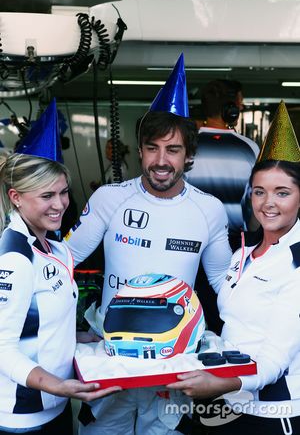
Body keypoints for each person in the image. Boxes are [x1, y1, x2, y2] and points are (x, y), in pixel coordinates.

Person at [64, 54, 232, 435]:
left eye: (172, 150)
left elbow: (224, 283)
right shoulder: (110, 198)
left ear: (189, 156)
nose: (160, 160)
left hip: (174, 361)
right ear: (139, 150)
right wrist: (61, 328)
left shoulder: (209, 209)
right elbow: (62, 262)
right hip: (111, 356)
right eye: (152, 147)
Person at [168, 101, 300, 435]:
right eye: (259, 192)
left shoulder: (296, 264)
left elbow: (274, 359)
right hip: (232, 401)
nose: (267, 203)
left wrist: (219, 384)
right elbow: (233, 324)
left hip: (273, 412)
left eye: (282, 192)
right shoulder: (244, 252)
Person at [0, 99, 120, 435]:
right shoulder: (14, 257)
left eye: (63, 193)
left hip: (57, 407)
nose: (60, 205)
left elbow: (39, 323)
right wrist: (56, 385)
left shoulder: (57, 249)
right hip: (22, 417)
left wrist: (80, 336)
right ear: (16, 197)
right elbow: (3, 347)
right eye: (46, 196)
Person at [186, 79, 260, 335]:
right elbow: (253, 206)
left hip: (189, 241)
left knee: (191, 308)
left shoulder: (186, 149)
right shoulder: (250, 149)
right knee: (227, 307)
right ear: (232, 108)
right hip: (233, 244)